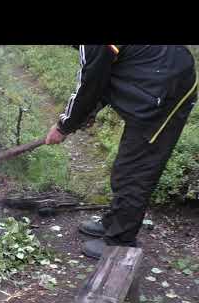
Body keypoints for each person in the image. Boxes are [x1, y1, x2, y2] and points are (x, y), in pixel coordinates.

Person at [45, 45, 197, 259]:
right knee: (126, 166)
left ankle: (120, 241)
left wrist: (64, 126)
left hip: (168, 87)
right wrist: (89, 112)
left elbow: (90, 83)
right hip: (154, 76)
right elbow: (105, 73)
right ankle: (114, 223)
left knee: (136, 169)